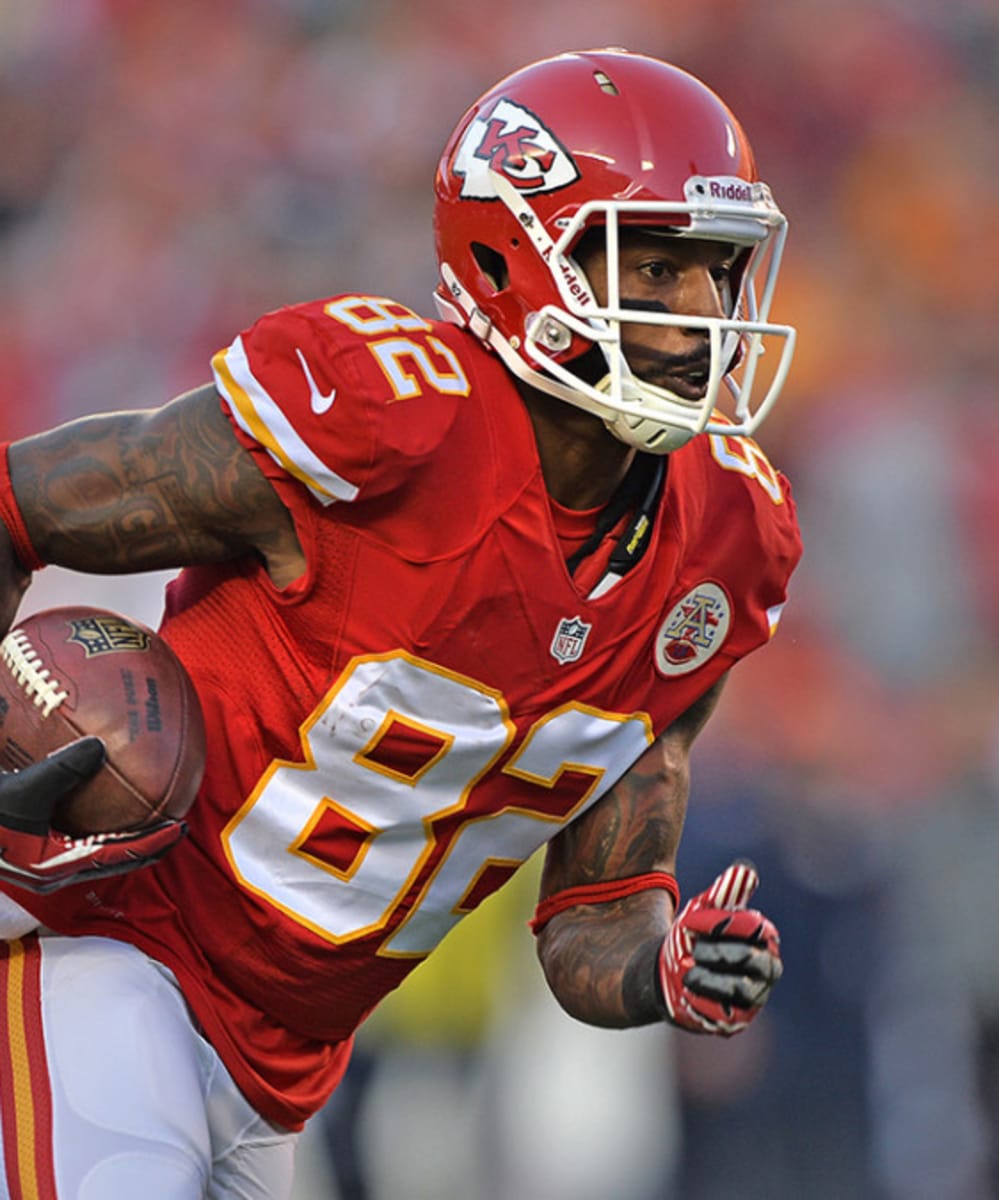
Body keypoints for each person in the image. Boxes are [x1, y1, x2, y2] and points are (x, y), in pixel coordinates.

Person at [0, 48, 800, 1197]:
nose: (702, 318)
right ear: (517, 258)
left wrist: (662, 974)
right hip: (107, 955)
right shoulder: (387, 419)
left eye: (716, 274)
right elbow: (20, 504)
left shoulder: (723, 543)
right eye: (655, 269)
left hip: (279, 1074)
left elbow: (595, 910)